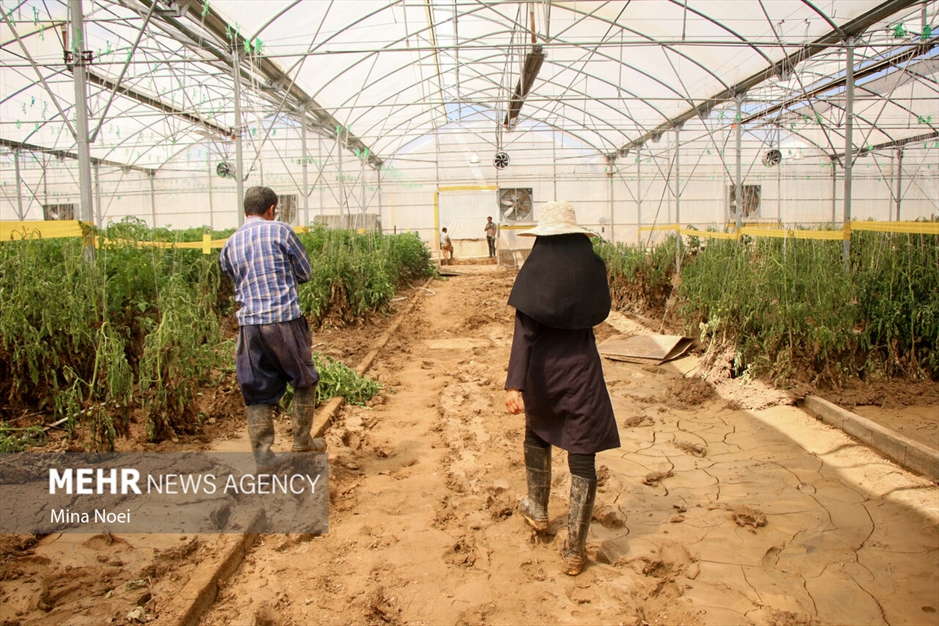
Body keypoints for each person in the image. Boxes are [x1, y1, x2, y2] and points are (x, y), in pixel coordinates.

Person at [504, 200, 619, 576]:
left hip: (543, 374)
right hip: (583, 372)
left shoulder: (535, 272)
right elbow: (595, 317)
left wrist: (514, 385)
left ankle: (537, 509)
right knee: (583, 453)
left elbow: (524, 336)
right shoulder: (592, 270)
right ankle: (575, 547)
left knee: (538, 433)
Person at [219, 186, 324, 469]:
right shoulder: (280, 231)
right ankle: (302, 440)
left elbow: (230, 274)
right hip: (284, 320)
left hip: (250, 326)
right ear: (271, 209)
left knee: (256, 389)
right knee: (303, 378)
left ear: (245, 211)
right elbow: (305, 272)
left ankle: (264, 458)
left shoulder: (231, 242)